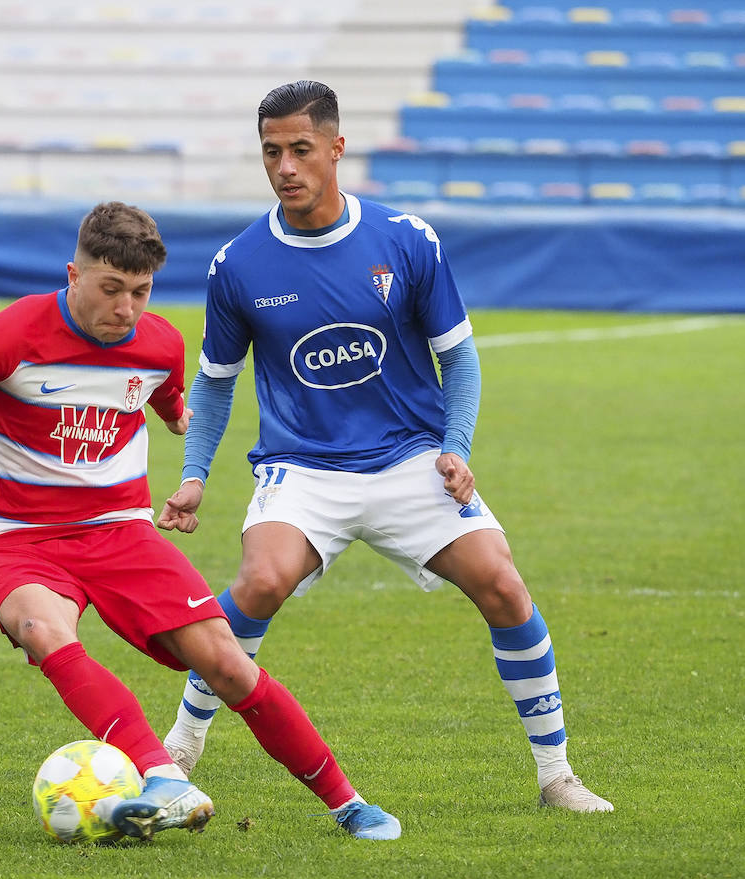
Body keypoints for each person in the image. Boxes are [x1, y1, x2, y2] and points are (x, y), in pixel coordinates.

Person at [0, 201, 401, 841]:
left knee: (227, 663)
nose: (126, 309)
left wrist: (176, 423)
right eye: (111, 288)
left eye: (140, 292)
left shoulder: (159, 343)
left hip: (123, 532)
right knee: (39, 627)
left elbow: (168, 395)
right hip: (20, 540)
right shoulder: (12, 336)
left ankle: (348, 803)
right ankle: (162, 778)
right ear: (74, 275)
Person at [155, 80, 613, 814]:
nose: (285, 168)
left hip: (410, 458)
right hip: (302, 465)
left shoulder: (405, 239)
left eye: (301, 149)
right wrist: (195, 475)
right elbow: (213, 383)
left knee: (501, 583)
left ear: (338, 148)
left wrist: (455, 447)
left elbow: (458, 360)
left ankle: (556, 775)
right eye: (271, 152)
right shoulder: (237, 266)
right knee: (262, 582)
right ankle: (178, 747)